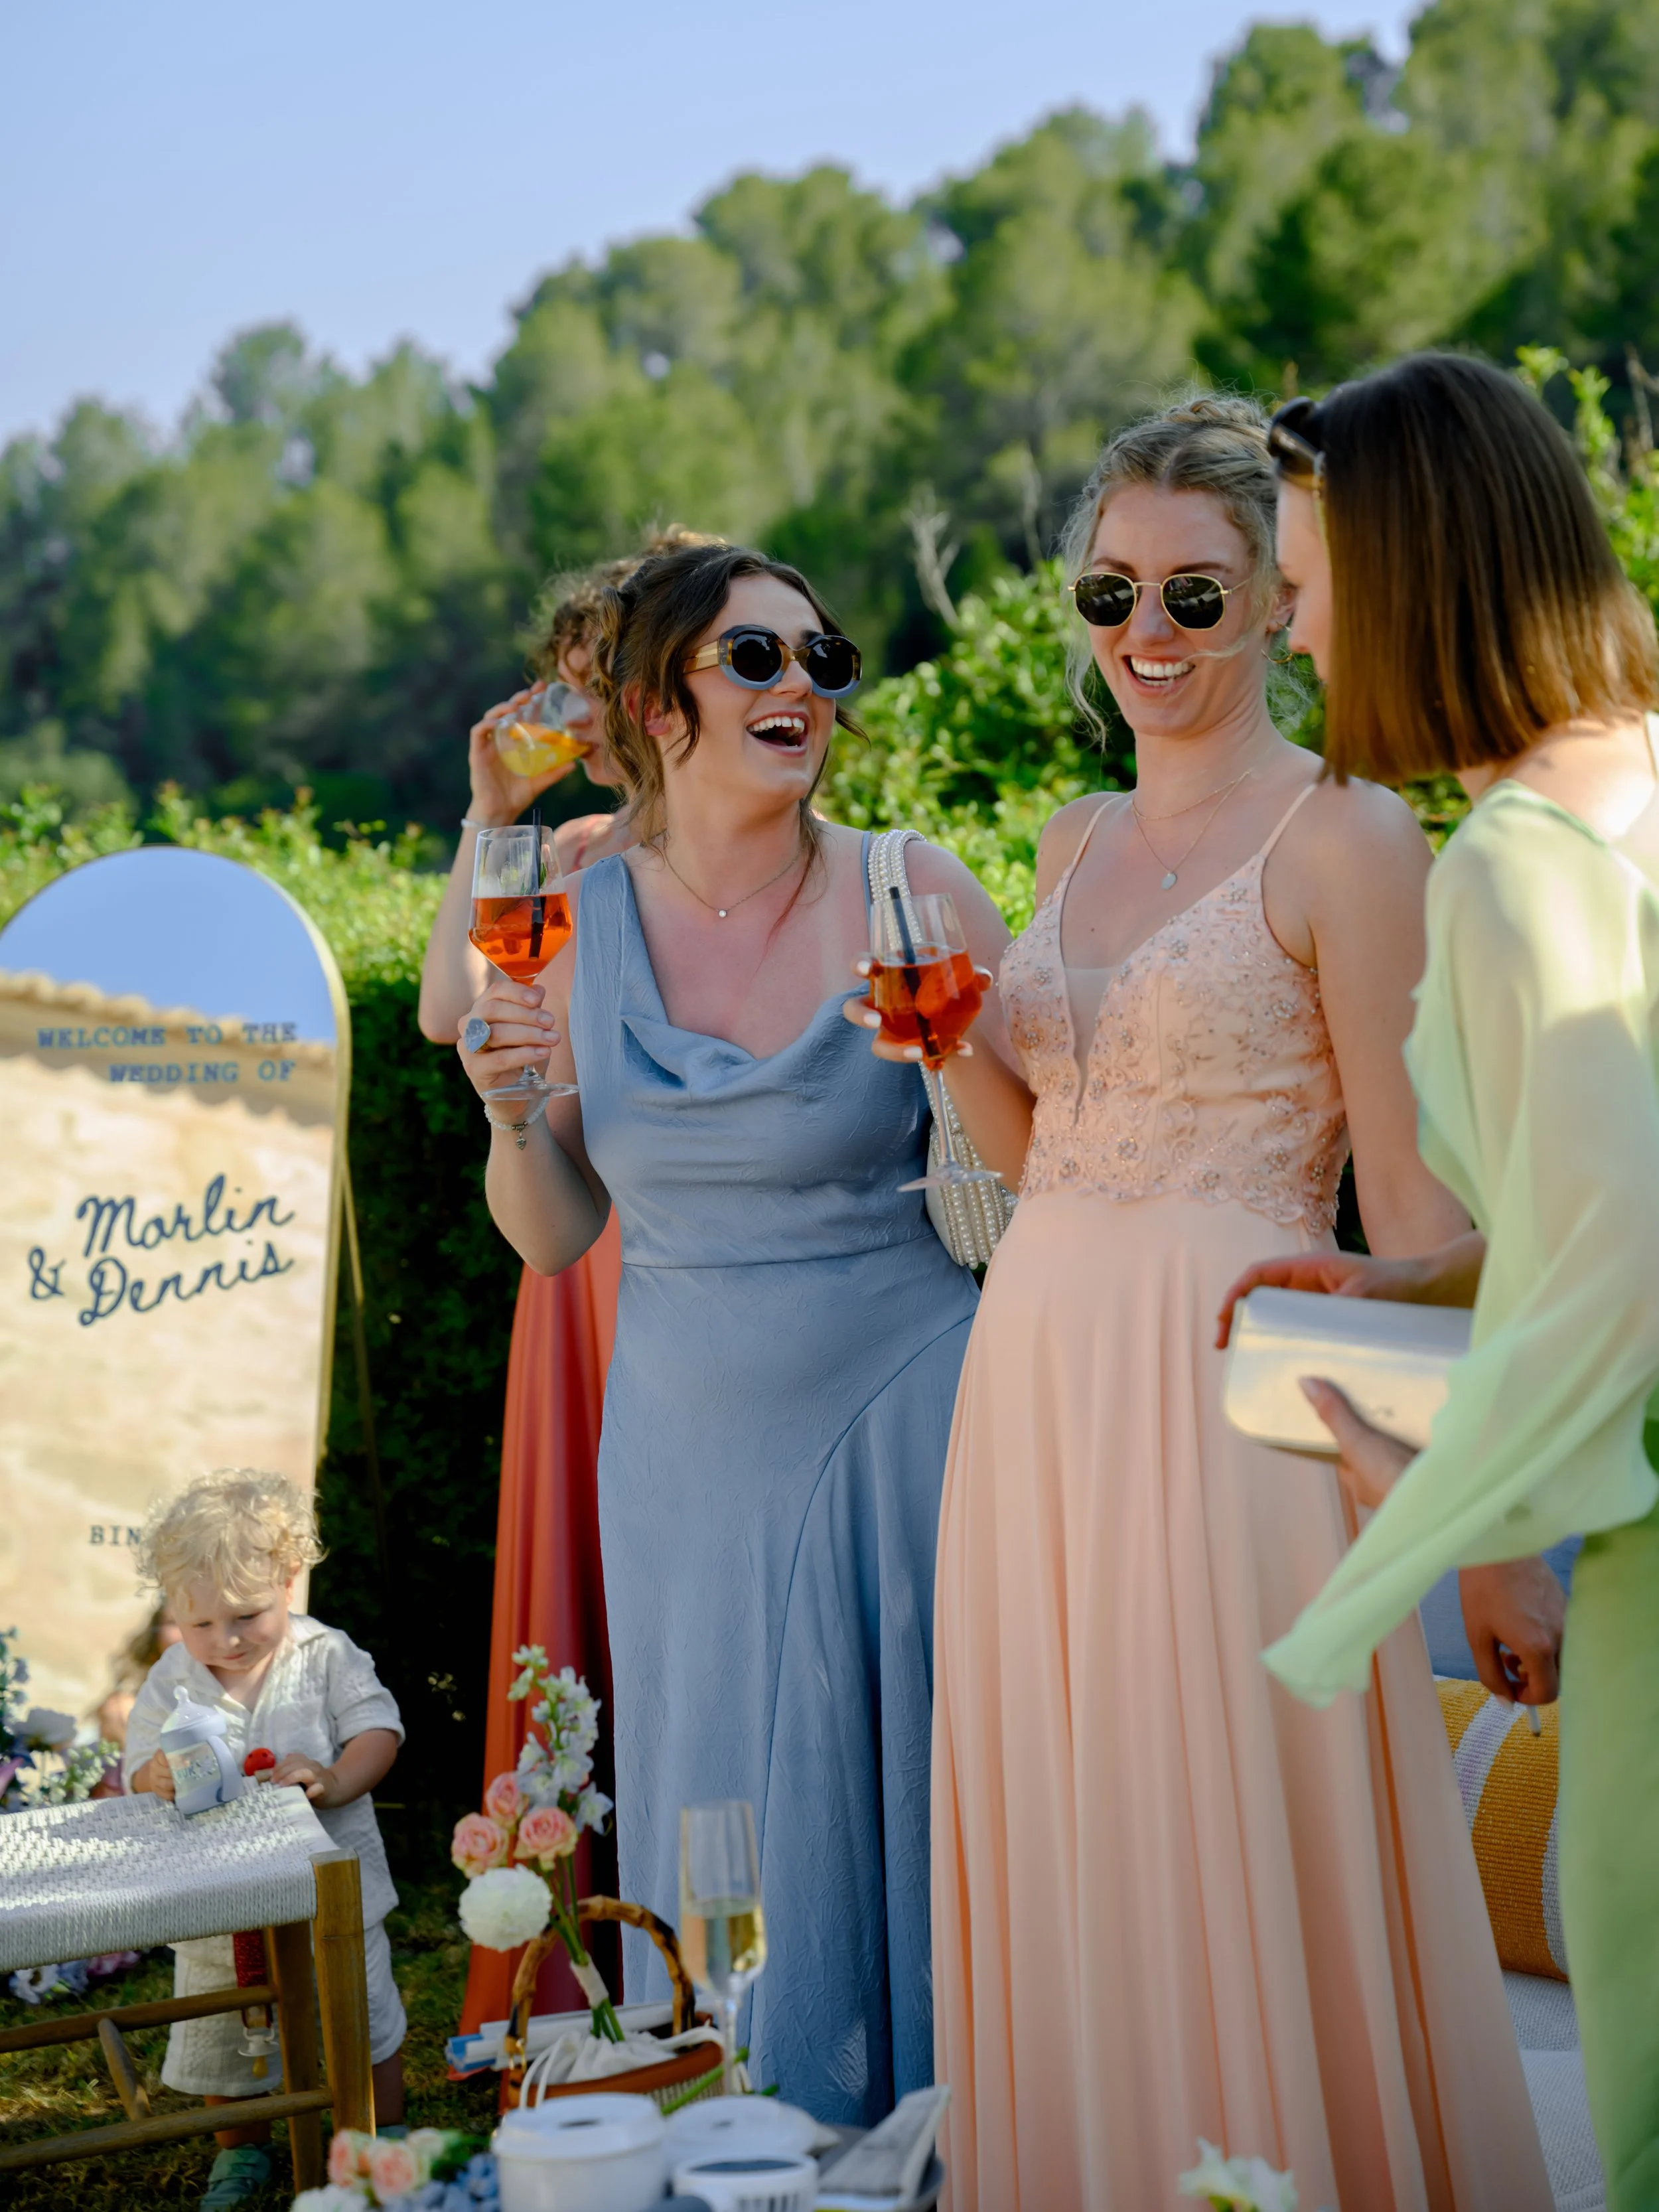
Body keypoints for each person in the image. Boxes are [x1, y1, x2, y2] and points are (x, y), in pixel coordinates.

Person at [904, 395, 1552, 2209]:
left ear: (1280, 599)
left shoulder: (1351, 838)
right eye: (1112, 596)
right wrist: (957, 1040)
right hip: (1030, 1385)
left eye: (1194, 597)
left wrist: (1484, 1536)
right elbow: (1049, 1163)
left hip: (1233, 1407)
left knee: (1239, 1828)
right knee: (1077, 1823)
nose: (1145, 639)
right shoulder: (1061, 836)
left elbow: (1414, 1215)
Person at [454, 538, 1011, 2124]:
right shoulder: (574, 905)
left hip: (915, 1422)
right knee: (725, 1831)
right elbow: (557, 1228)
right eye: (751, 659)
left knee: (913, 1807)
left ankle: (955, 2134)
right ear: (654, 699)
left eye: (820, 662)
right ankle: (754, 2136)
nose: (799, 690)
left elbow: (1055, 1139)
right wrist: (509, 1125)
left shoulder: (908, 879)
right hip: (683, 1450)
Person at [1222, 353, 1659, 2208]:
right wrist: (1415, 1279)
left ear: (1408, 577)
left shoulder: (1509, 863)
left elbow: (1618, 1265)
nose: (1295, 626)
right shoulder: (1636, 778)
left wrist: (1417, 1492)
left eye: (1306, 581)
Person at [419, 532, 713, 2033]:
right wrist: (488, 815)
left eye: (598, 679)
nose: (578, 708)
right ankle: (576, 1973)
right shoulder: (570, 858)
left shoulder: (728, 849)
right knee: (583, 1610)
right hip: (575, 1263)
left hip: (692, 1261)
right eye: (567, 680)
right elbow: (443, 1011)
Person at [124, 1472, 405, 2210]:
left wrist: (336, 1778)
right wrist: (152, 1774)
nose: (227, 1640)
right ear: (176, 1611)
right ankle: (241, 2153)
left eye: (247, 1615)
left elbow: (379, 1729)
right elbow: (136, 1766)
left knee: (363, 2014)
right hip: (219, 1904)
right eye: (202, 1624)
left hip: (328, 1892)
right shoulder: (173, 1676)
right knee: (224, 2031)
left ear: (288, 1580)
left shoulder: (324, 1655)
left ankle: (380, 2137)